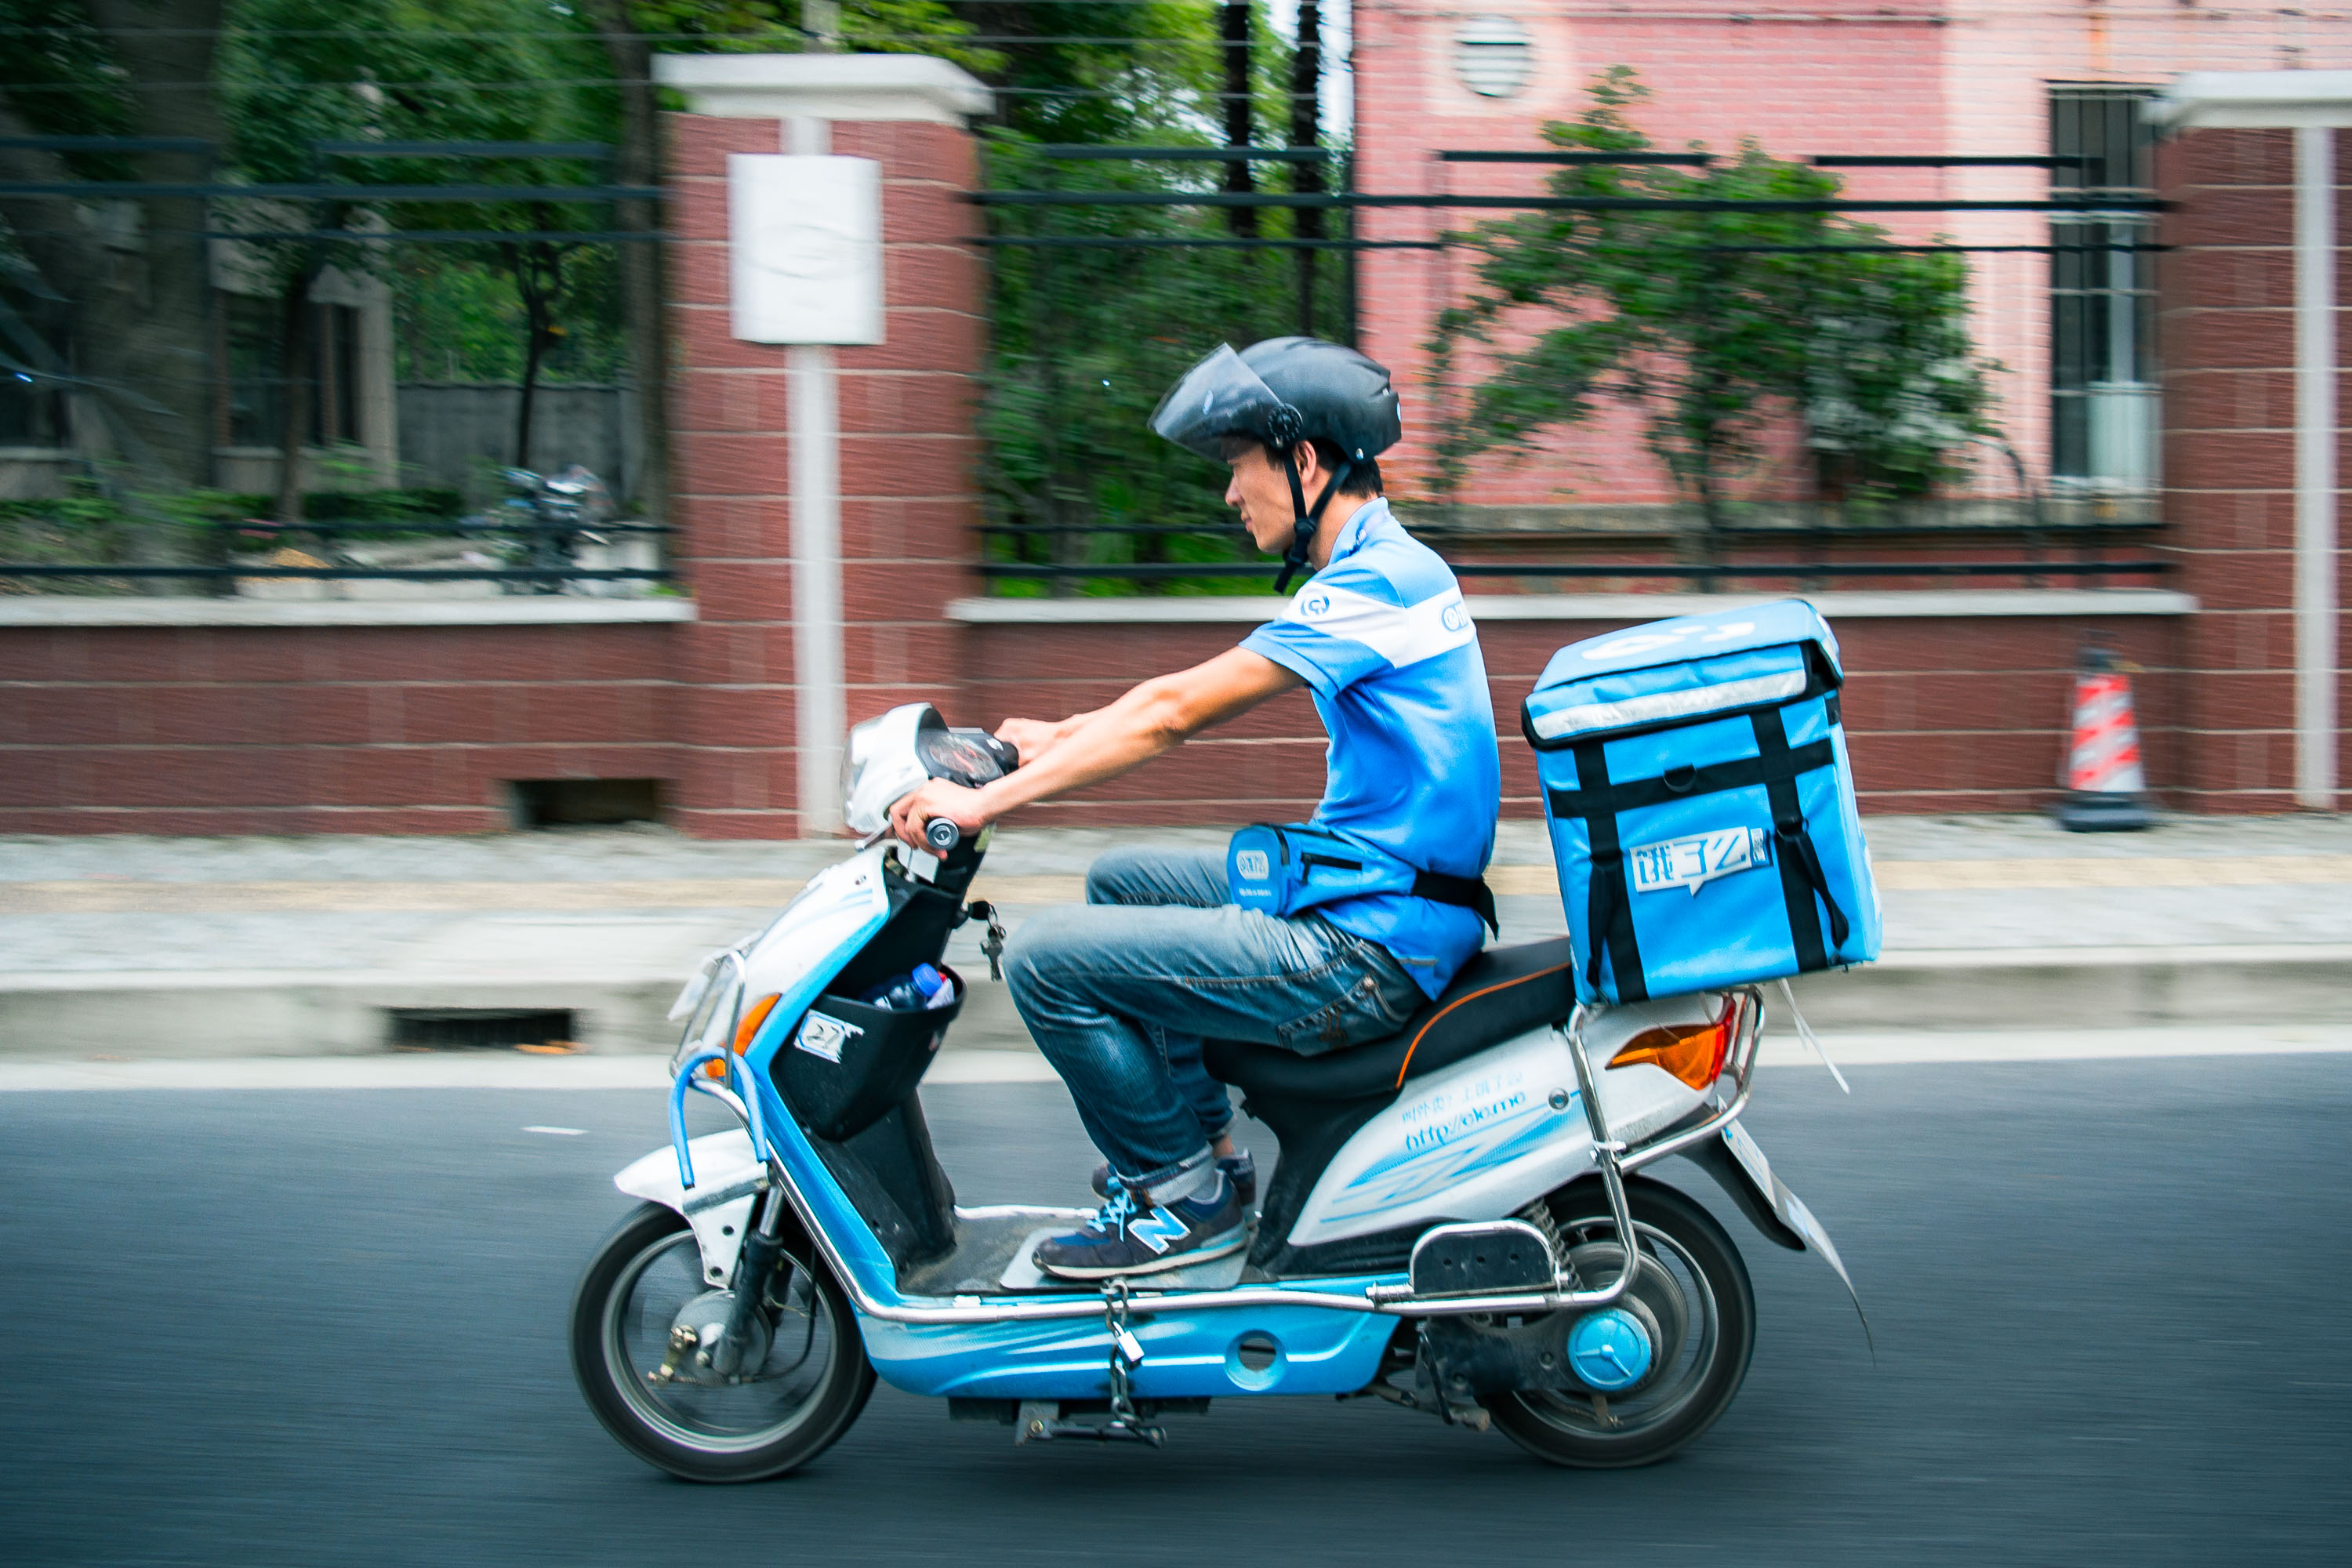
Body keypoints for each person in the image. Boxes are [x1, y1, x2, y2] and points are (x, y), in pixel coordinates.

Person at [887, 337, 1501, 1279]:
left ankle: (1179, 1197)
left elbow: (1176, 713)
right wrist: (1058, 733)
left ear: (1303, 462)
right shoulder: (1384, 566)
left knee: (1048, 963)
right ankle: (1213, 1158)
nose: (1228, 493)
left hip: (1368, 947)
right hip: (1379, 892)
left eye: (1237, 464)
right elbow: (1169, 695)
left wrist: (983, 803)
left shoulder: (1383, 582)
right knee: (1122, 878)